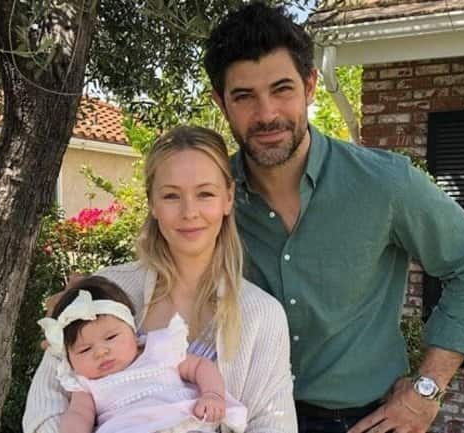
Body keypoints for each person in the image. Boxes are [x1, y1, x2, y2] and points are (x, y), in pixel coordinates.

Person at [203, 3, 464, 433]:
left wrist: (427, 388)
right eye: (244, 96)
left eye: (282, 89)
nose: (266, 114)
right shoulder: (209, 199)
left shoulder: (385, 183)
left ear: (310, 87)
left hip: (366, 420)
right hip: (246, 417)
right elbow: (157, 275)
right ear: (221, 102)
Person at [23, 126, 298, 433]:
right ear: (152, 203)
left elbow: (273, 424)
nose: (189, 212)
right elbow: (44, 409)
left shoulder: (262, 314)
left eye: (205, 193)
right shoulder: (101, 293)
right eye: (171, 196)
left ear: (228, 198)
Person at [39, 275, 247, 433]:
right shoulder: (85, 385)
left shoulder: (159, 350)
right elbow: (78, 414)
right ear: (69, 358)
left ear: (131, 329)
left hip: (182, 422)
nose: (101, 352)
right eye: (85, 349)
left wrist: (212, 394)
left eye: (111, 337)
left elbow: (200, 366)